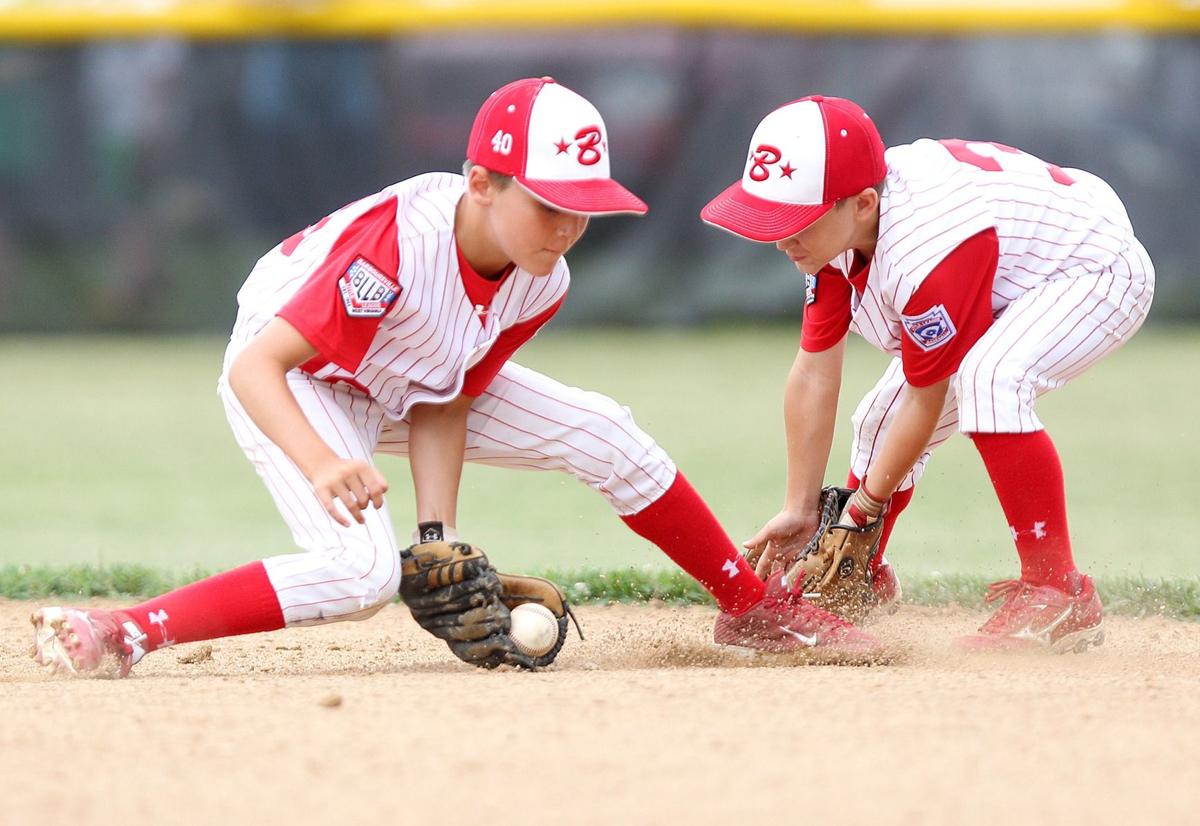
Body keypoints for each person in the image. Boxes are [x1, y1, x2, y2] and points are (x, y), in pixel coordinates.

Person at [31, 78, 880, 679]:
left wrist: (436, 533)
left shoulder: (541, 274)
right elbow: (259, 367)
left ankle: (749, 606)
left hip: (392, 375)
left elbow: (446, 396)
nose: (570, 225)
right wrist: (326, 464)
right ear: (479, 182)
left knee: (603, 430)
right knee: (360, 572)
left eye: (584, 205)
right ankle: (126, 632)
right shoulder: (401, 245)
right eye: (550, 203)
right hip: (300, 378)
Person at [701, 95, 1153, 651]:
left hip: (1091, 267)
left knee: (992, 379)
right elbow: (815, 369)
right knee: (874, 420)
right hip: (1009, 274)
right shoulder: (841, 226)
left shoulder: (925, 248)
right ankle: (859, 579)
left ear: (863, 204)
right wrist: (800, 508)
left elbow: (926, 397)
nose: (780, 237)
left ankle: (1058, 591)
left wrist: (862, 509)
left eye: (794, 221)